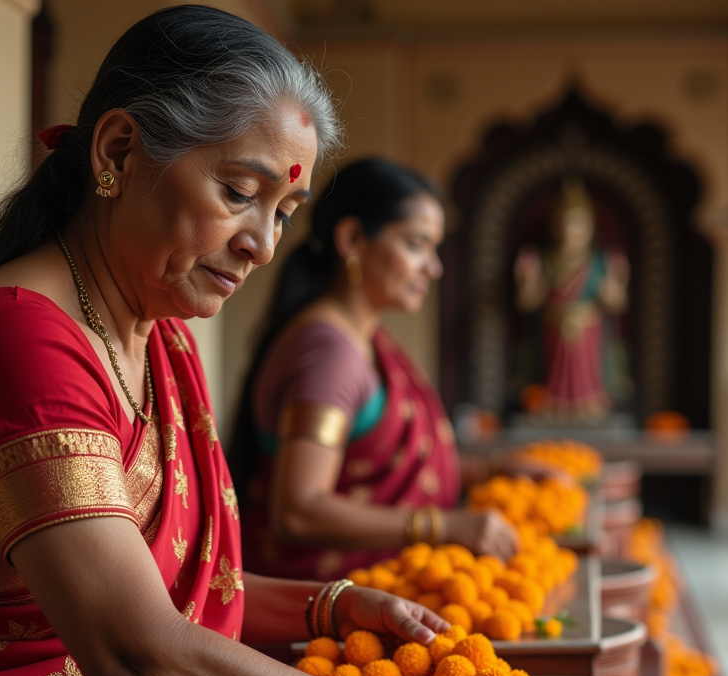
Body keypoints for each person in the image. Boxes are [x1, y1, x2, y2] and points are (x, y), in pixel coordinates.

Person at [0, 8, 552, 676]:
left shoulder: (159, 336)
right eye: (239, 192)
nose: (262, 242)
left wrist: (331, 607)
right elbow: (138, 653)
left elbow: (171, 600)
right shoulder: (16, 342)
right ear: (119, 152)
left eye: (284, 213)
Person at [230, 159, 555, 584]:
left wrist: (494, 468)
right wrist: (442, 527)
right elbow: (299, 510)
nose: (433, 268)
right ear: (352, 239)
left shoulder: (360, 339)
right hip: (318, 601)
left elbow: (377, 460)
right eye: (417, 245)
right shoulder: (330, 352)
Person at [515, 179, 631, 419]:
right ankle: (553, 405)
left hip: (589, 331)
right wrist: (528, 281)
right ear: (556, 227)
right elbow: (527, 303)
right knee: (551, 380)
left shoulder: (600, 262)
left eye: (579, 224)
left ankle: (590, 405)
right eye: (566, 224)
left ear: (590, 228)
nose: (572, 231)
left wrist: (614, 286)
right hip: (553, 331)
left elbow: (617, 303)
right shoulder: (545, 261)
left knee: (587, 378)